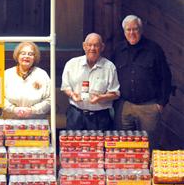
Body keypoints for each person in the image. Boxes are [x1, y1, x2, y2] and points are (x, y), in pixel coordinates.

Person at [111, 15, 172, 148]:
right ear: (124, 31)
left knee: (149, 146)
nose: (132, 33)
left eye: (135, 29)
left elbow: (166, 77)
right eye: (128, 30)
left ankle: (148, 169)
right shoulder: (118, 50)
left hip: (148, 106)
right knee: (123, 146)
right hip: (124, 106)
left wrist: (161, 103)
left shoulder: (154, 49)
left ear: (141, 30)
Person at [61, 33, 120, 130]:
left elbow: (115, 93)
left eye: (96, 45)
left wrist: (100, 98)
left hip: (100, 117)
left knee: (99, 145)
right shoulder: (72, 64)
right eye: (89, 45)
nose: (92, 48)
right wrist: (72, 94)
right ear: (84, 46)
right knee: (73, 145)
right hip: (76, 115)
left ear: (102, 47)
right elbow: (65, 87)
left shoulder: (109, 67)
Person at [3, 41, 51, 119]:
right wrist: (14, 109)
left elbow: (50, 99)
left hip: (36, 122)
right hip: (10, 121)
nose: (26, 56)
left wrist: (32, 110)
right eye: (23, 53)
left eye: (30, 54)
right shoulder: (7, 74)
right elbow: (0, 98)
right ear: (17, 56)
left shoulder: (42, 74)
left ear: (34, 58)